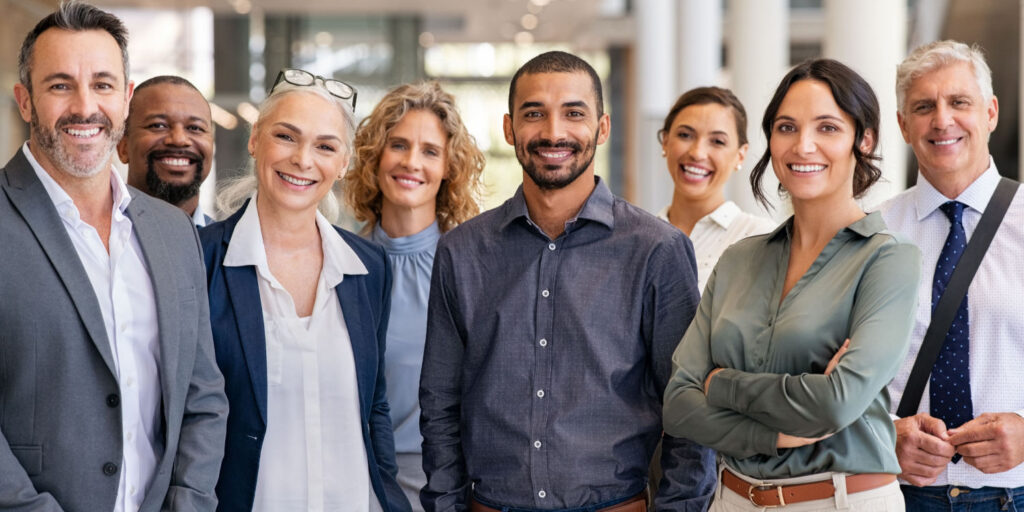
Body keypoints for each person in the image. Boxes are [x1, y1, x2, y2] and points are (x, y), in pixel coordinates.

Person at [419, 50, 716, 512]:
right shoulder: (461, 251)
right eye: (534, 113)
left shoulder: (657, 250)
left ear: (602, 128)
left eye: (573, 113)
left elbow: (689, 411)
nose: (553, 132)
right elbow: (440, 407)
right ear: (509, 128)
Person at [664, 59, 922, 511]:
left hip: (840, 500)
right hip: (731, 498)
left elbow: (836, 405)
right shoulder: (739, 257)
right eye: (787, 127)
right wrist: (774, 432)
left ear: (864, 140)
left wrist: (720, 384)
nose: (803, 146)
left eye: (827, 128)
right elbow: (679, 405)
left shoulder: (888, 259)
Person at [0, 3, 228, 511]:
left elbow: (203, 398)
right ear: (25, 101)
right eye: (60, 85)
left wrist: (188, 503)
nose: (85, 107)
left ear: (125, 99)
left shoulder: (172, 231)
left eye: (102, 85)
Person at [201, 68, 410, 512]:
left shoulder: (368, 268)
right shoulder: (200, 260)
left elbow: (374, 405)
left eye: (325, 146)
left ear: (344, 163)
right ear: (256, 139)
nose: (303, 159)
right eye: (286, 136)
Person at [880, 40, 1024, 510]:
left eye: (959, 102)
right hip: (899, 496)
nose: (942, 120)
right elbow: (834, 376)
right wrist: (884, 434)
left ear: (991, 112)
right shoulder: (870, 233)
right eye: (924, 107)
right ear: (903, 125)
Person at [343, 81, 485, 510]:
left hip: (449, 484)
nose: (411, 162)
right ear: (375, 157)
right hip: (356, 478)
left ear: (449, 167)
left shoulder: (471, 267)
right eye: (398, 145)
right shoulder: (340, 262)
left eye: (429, 151)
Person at [656, 86, 774, 291]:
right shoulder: (638, 236)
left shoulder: (761, 240)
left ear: (740, 155)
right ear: (665, 141)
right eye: (685, 135)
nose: (698, 153)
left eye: (717, 141)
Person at [118, 75, 215, 226]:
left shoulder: (232, 246)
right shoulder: (94, 241)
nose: (179, 139)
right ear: (122, 147)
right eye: (158, 126)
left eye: (195, 128)